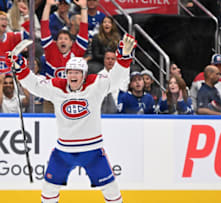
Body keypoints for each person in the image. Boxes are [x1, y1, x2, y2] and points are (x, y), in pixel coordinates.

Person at [8, 34, 136, 203]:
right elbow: (36, 86)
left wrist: (124, 58)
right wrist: (21, 68)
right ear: (66, 73)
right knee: (48, 188)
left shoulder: (95, 85)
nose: (73, 75)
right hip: (64, 151)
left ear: (83, 74)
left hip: (93, 150)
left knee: (111, 189)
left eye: (77, 72)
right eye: (70, 72)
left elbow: (116, 79)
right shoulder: (56, 87)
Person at [41, 0, 88, 79]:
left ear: (71, 43)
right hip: (52, 89)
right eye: (60, 39)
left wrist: (84, 8)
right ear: (56, 42)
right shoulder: (51, 49)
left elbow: (83, 29)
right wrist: (47, 6)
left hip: (71, 89)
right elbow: (44, 27)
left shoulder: (77, 50)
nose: (63, 41)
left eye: (66, 39)